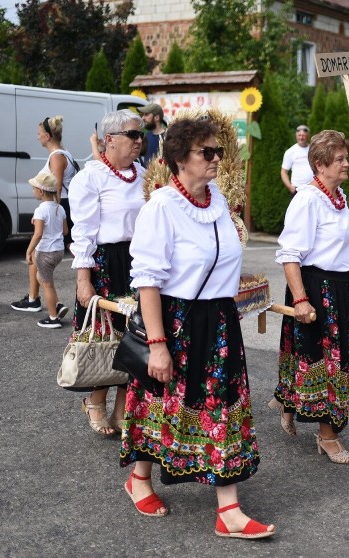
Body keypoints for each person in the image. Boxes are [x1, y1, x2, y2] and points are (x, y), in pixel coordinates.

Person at [119, 116, 275, 539]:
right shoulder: (162, 207)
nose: (216, 158)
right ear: (178, 159)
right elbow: (147, 280)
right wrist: (157, 344)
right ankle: (140, 479)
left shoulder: (217, 200)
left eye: (218, 151)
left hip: (219, 321)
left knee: (223, 407)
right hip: (175, 321)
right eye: (206, 152)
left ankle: (229, 510)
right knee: (158, 401)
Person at [272, 130, 349, 465]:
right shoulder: (307, 199)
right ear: (320, 165)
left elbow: (343, 239)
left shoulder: (339, 195)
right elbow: (290, 254)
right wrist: (301, 299)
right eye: (340, 159)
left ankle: (291, 406)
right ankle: (328, 435)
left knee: (337, 359)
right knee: (319, 359)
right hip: (314, 288)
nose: (347, 163)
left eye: (347, 157)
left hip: (340, 289)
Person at [68, 110, 146, 436]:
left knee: (136, 336)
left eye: (141, 135)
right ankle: (95, 400)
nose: (139, 141)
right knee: (106, 335)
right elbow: (83, 233)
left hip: (139, 260)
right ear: (109, 139)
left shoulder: (144, 174)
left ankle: (121, 410)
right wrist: (83, 280)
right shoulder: (91, 177)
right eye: (132, 135)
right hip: (106, 262)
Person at [11, 115, 77, 315]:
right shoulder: (65, 154)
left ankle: (36, 300)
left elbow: (55, 186)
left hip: (58, 204)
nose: (38, 137)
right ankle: (35, 298)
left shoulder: (57, 156)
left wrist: (52, 210)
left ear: (48, 136)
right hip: (60, 205)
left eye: (39, 134)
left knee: (38, 252)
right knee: (41, 252)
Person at [23, 171, 69, 329]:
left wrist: (29, 251)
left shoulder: (40, 210)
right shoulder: (59, 208)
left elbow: (38, 234)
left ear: (41, 191)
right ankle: (57, 305)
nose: (33, 191)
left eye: (34, 188)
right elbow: (65, 231)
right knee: (42, 277)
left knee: (46, 282)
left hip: (45, 252)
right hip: (58, 252)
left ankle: (53, 317)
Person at [280, 124, 313, 195]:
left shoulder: (313, 149)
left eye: (303, 135)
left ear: (308, 136)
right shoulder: (290, 152)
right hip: (297, 189)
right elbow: (283, 172)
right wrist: (290, 187)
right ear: (296, 136)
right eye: (299, 135)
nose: (301, 137)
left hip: (314, 188)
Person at [136, 102, 166, 167]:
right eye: (142, 115)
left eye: (146, 114)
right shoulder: (145, 137)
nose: (143, 118)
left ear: (157, 117)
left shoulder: (168, 137)